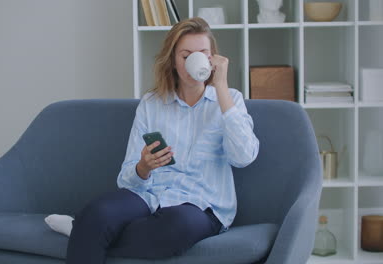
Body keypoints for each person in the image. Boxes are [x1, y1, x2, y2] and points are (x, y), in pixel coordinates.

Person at [45, 17, 259, 263]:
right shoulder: (152, 103)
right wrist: (143, 167)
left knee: (176, 225)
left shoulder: (229, 100)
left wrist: (221, 86)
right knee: (98, 212)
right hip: (149, 195)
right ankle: (89, 229)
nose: (194, 61)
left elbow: (244, 157)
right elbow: (126, 178)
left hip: (202, 206)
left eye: (202, 53)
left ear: (213, 59)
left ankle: (82, 233)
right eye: (186, 55)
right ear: (173, 61)